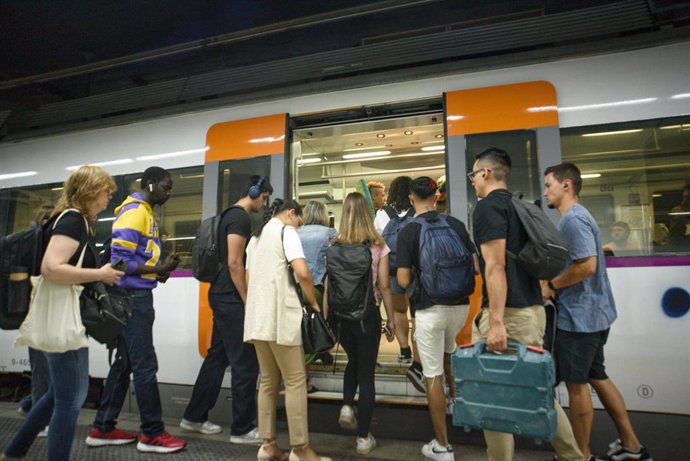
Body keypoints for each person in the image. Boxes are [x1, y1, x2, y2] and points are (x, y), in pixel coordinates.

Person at [468, 148, 584, 461]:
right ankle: (574, 457)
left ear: (486, 173)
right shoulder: (520, 206)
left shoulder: (488, 208)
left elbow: (495, 267)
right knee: (537, 391)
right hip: (531, 310)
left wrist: (494, 322)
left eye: (473, 175)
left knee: (492, 395)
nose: (472, 181)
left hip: (510, 314)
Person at [1, 166, 122, 461]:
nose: (109, 197)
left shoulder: (65, 218)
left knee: (57, 394)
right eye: (106, 191)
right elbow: (51, 268)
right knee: (71, 398)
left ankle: (15, 451)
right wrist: (100, 273)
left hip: (57, 313)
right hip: (61, 316)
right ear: (91, 191)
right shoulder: (73, 220)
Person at [542, 162, 652, 461]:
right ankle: (632, 446)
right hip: (595, 315)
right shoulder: (580, 216)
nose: (546, 191)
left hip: (579, 319)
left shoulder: (573, 220)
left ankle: (581, 455)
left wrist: (551, 283)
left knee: (577, 388)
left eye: (549, 184)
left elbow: (586, 266)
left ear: (567, 185)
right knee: (598, 376)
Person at [85, 166, 186, 454]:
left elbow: (134, 261)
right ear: (150, 184)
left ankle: (103, 427)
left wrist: (160, 272)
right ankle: (152, 434)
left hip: (136, 295)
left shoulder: (145, 212)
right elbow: (118, 262)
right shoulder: (135, 212)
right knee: (145, 365)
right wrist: (156, 268)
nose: (168, 193)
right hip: (132, 300)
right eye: (166, 187)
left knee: (126, 363)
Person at [180, 175, 273, 443]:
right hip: (231, 298)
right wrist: (247, 299)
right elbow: (234, 263)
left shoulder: (227, 216)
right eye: (264, 197)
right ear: (254, 191)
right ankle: (242, 429)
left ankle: (194, 416)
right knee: (245, 362)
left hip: (221, 295)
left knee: (218, 357)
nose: (264, 203)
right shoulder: (240, 218)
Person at [396, 176, 476, 461]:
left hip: (430, 309)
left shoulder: (409, 231)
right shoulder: (456, 225)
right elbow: (475, 265)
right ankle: (457, 406)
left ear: (410, 198)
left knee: (432, 374)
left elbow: (404, 279)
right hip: (460, 307)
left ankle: (442, 446)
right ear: (437, 196)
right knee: (450, 354)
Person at [244, 198, 331, 461]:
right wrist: (313, 302)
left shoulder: (255, 238)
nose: (299, 225)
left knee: (269, 382)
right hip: (281, 317)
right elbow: (303, 273)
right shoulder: (286, 232)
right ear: (290, 213)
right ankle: (301, 449)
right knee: (295, 381)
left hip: (257, 319)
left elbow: (249, 280)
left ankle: (268, 446)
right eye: (299, 220)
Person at [324, 192, 396, 455]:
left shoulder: (333, 246)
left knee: (353, 361)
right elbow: (385, 286)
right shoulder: (378, 246)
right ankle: (363, 438)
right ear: (368, 213)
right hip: (367, 317)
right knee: (366, 373)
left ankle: (345, 405)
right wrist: (392, 322)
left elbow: (329, 288)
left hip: (341, 319)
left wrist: (326, 320)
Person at [373, 177, 419, 369]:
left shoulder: (382, 213)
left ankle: (404, 350)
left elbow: (377, 243)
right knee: (417, 313)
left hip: (391, 270)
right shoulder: (417, 211)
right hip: (415, 270)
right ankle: (419, 354)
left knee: (399, 311)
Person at [17, 206, 55, 432]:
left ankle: (29, 405)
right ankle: (39, 422)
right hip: (37, 314)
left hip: (44, 314)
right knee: (43, 370)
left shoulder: (42, 244)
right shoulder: (37, 245)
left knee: (48, 369)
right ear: (42, 221)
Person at [296, 200, 337, 370]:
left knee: (304, 326)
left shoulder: (296, 233)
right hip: (319, 287)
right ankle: (309, 363)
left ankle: (321, 353)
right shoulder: (330, 233)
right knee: (319, 322)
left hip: (297, 288)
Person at [668, 182, 690, 251]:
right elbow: (673, 244)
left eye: (688, 198)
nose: (684, 201)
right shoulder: (680, 216)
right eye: (684, 197)